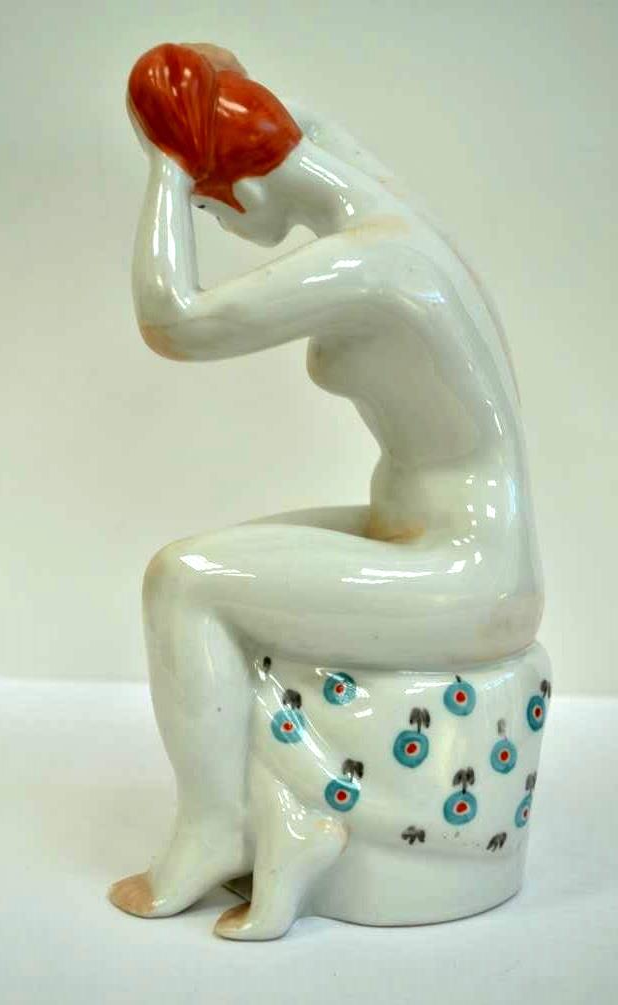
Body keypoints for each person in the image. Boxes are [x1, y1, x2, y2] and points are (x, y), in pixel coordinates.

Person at [110, 43, 543, 920]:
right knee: (215, 564)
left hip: (467, 569)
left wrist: (166, 171)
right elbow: (295, 126)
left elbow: (174, 322)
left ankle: (213, 828)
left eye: (210, 208)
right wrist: (203, 100)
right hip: (422, 534)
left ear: (244, 188)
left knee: (182, 582)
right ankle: (271, 815)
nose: (215, 221)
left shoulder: (374, 264)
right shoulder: (381, 206)